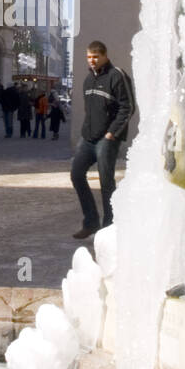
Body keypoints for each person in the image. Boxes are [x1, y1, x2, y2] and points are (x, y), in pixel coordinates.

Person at [70, 41, 132, 239]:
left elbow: (128, 107)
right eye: (89, 57)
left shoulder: (117, 76)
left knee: (106, 182)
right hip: (88, 138)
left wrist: (112, 133)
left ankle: (109, 226)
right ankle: (91, 222)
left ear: (105, 56)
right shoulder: (88, 80)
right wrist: (85, 132)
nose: (92, 60)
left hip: (107, 139)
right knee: (76, 174)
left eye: (96, 57)